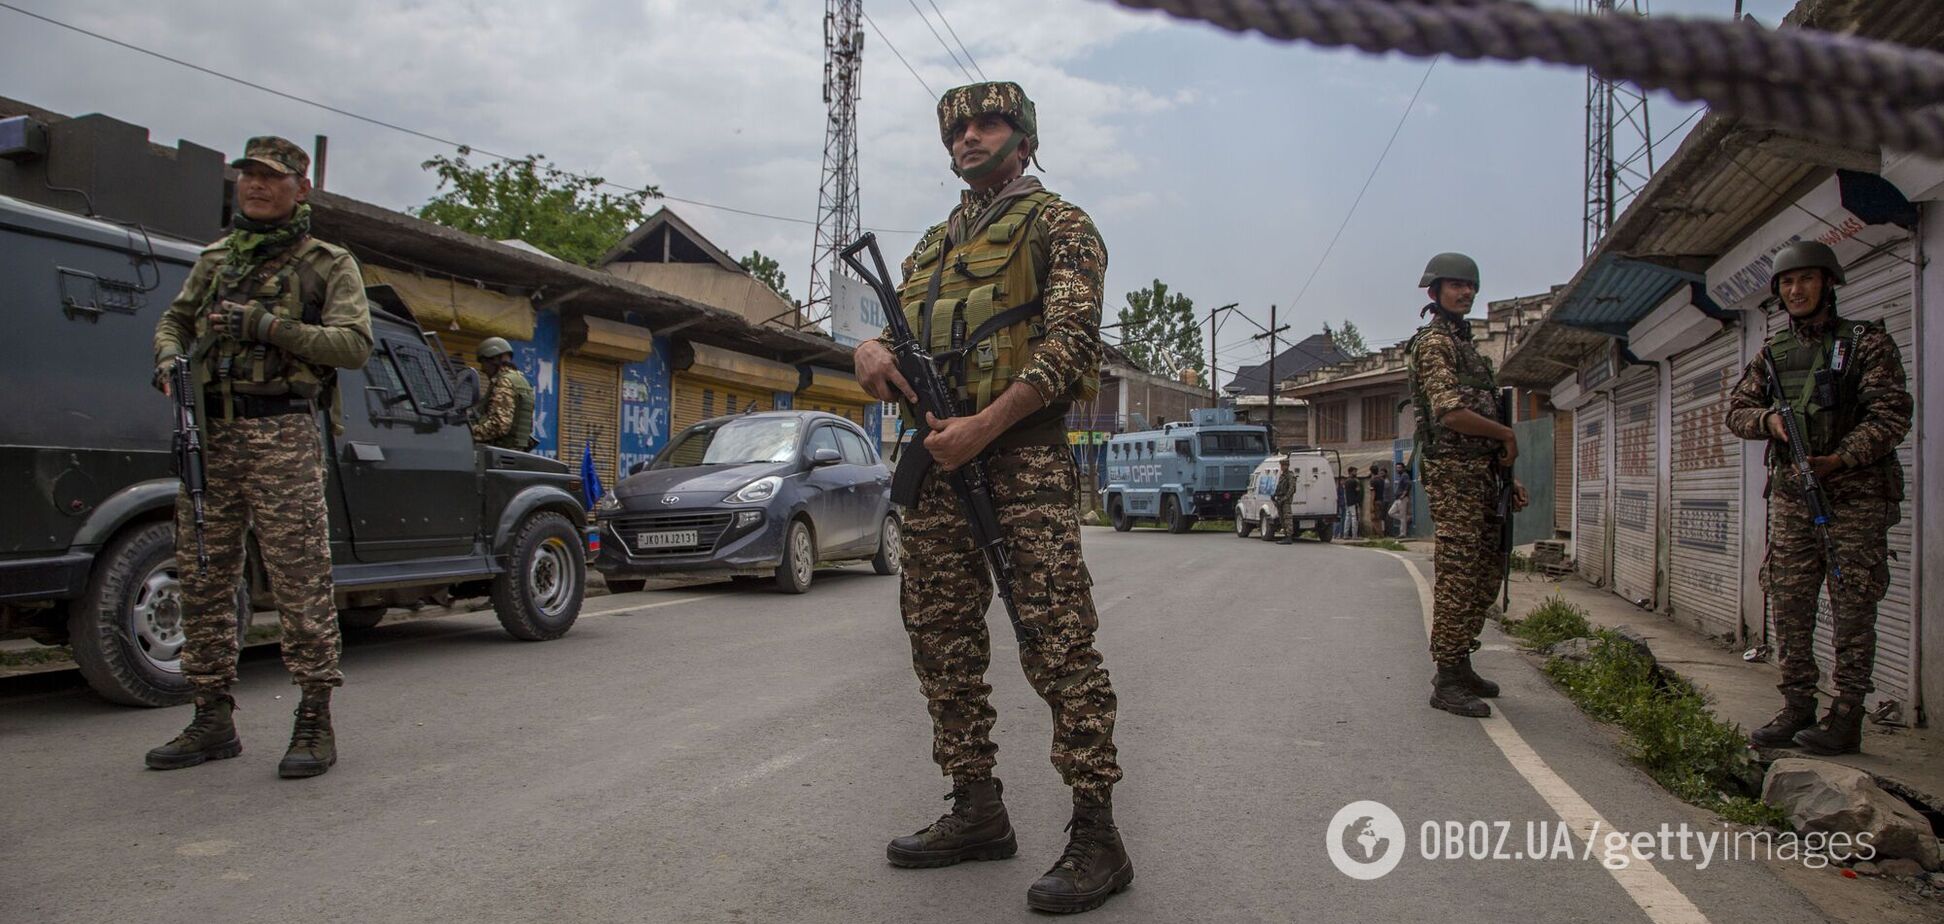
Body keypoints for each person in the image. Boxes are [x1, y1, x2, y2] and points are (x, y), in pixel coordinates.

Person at [852, 81, 1132, 913]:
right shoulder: (934, 245)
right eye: (958, 127)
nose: (970, 136)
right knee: (938, 634)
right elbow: (889, 329)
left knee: (1057, 641)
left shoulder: (1062, 226)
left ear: (1024, 138)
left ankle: (1098, 834)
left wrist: (988, 424)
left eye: (988, 122)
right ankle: (977, 807)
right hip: (938, 465)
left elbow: (1070, 345)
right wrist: (865, 349)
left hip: (1023, 465)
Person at [147, 136, 372, 777]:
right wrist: (167, 358)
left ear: (301, 187)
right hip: (212, 435)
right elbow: (175, 322)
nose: (255, 185)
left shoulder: (327, 263)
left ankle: (313, 717)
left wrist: (268, 328)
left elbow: (355, 345)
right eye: (248, 174)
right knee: (204, 578)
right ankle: (211, 715)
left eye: (271, 177)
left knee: (300, 580)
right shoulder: (216, 260)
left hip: (283, 434)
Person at [1727, 241, 1911, 755]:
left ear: (1828, 283)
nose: (1795, 290)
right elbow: (1737, 411)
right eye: (1787, 283)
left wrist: (1843, 459)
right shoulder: (1773, 355)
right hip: (1792, 498)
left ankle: (1847, 714)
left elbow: (1891, 414)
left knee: (1853, 603)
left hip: (1854, 498)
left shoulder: (1865, 344)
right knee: (1789, 600)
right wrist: (1769, 421)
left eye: (1806, 280)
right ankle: (1797, 705)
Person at [1403, 252, 1528, 718]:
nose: (1466, 293)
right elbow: (1450, 413)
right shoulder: (1435, 343)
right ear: (1434, 293)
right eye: (1456, 286)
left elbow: (1485, 414)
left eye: (1470, 286)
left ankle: (1462, 659)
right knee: (1458, 575)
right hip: (1454, 476)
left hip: (1482, 476)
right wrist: (1507, 436)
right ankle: (1448, 675)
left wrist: (1505, 474)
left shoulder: (1467, 347)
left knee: (1486, 571)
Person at [470, 336, 535, 450]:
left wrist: (469, 432)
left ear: (494, 359)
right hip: (516, 451)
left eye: (483, 362)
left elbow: (499, 425)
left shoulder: (505, 382)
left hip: (501, 452)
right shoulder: (521, 380)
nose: (482, 369)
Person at [1273, 455, 1298, 544]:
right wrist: (1275, 495)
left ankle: (1289, 536)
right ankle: (1285, 535)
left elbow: (1291, 489)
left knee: (1287, 518)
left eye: (1283, 465)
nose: (1282, 467)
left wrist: (1284, 498)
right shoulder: (1282, 476)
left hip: (1286, 501)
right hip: (1280, 500)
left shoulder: (1290, 476)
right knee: (1282, 518)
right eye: (1281, 465)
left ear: (1287, 466)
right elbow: (1279, 487)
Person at [1341, 467, 1364, 539]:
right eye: (1355, 472)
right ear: (1351, 472)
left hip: (1347, 501)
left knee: (1347, 518)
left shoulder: (1346, 481)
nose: (1356, 473)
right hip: (1354, 501)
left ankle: (1345, 534)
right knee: (1354, 518)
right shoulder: (1355, 481)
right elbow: (1358, 490)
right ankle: (1355, 535)